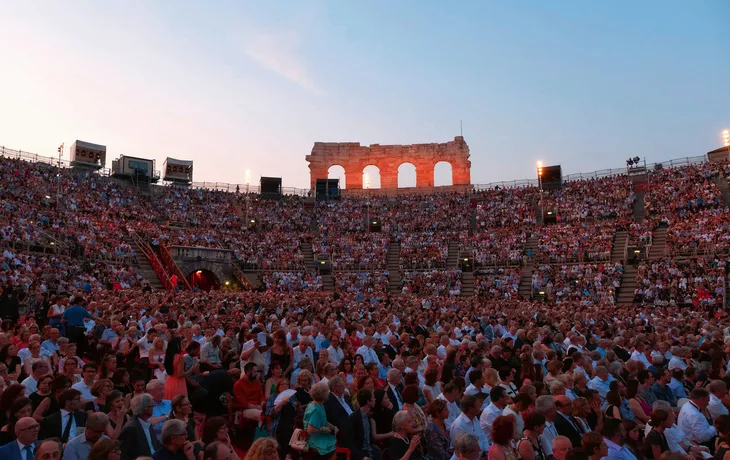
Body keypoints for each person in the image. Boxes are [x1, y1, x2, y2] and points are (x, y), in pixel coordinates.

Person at [119, 393, 161, 460]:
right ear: (145, 409)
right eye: (152, 405)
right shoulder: (130, 428)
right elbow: (123, 455)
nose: (154, 407)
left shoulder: (148, 425)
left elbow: (155, 446)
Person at [304, 381, 338, 459]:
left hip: (320, 436)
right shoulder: (315, 409)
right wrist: (324, 429)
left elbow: (323, 421)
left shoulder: (320, 405)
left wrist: (333, 427)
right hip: (314, 439)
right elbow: (310, 429)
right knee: (333, 449)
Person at [345, 389, 381, 460]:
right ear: (368, 401)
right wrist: (361, 457)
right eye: (373, 398)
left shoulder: (369, 416)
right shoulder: (353, 418)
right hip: (361, 454)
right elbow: (349, 442)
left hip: (371, 451)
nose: (375, 399)